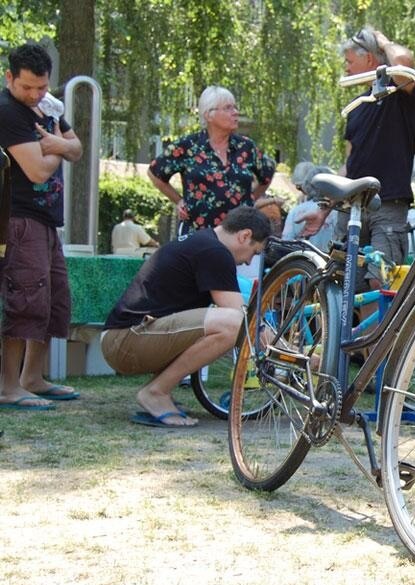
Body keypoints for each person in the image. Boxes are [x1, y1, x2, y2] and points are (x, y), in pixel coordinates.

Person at [100, 206, 271, 427]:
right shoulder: (214, 252)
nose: (249, 262)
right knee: (234, 323)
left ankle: (159, 390)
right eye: (254, 252)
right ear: (244, 235)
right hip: (125, 342)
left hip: (124, 338)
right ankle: (156, 392)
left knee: (232, 323)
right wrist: (290, 353)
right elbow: (246, 322)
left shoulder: (203, 241)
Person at [0, 42, 83, 410]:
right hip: (19, 218)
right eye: (27, 87)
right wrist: (55, 148)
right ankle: (8, 386)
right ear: (10, 78)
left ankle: (32, 377)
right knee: (25, 299)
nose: (35, 94)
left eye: (42, 87)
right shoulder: (8, 111)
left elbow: (78, 147)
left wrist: (55, 145)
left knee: (52, 301)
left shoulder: (47, 107)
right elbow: (34, 171)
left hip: (48, 219)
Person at [337, 26, 415, 288]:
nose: (346, 69)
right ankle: (357, 332)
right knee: (348, 286)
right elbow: (348, 163)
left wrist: (382, 40)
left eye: (350, 62)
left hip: (388, 205)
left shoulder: (401, 93)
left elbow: (404, 62)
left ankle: (379, 332)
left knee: (380, 284)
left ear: (370, 60)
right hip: (351, 207)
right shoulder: (356, 107)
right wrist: (328, 203)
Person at [148, 85, 276, 235]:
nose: (236, 112)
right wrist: (179, 200)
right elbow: (154, 173)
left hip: (240, 236)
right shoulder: (187, 146)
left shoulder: (246, 147)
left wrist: (252, 198)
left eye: (235, 107)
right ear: (209, 115)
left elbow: (267, 173)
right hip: (199, 233)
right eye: (228, 108)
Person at [282, 162, 338, 250]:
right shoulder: (339, 213)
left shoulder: (295, 212)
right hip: (331, 261)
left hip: (302, 261)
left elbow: (285, 243)